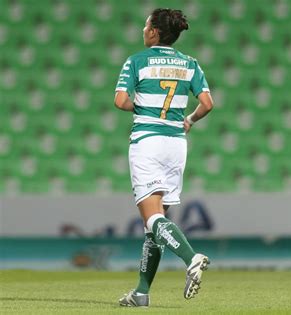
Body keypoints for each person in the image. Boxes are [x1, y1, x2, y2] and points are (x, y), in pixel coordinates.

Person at [114, 8, 214, 305]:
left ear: (154, 32)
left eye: (146, 26)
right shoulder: (189, 64)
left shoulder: (136, 61)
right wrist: (189, 120)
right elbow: (207, 103)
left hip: (148, 141)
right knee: (153, 226)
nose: (143, 30)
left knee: (152, 217)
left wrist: (142, 108)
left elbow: (120, 101)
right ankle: (142, 293)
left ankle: (191, 257)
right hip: (176, 144)